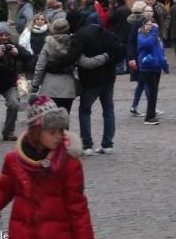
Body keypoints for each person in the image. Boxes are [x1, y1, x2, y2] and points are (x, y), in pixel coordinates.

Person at [0, 95, 95, 239]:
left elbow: (78, 210)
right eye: (52, 132)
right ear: (36, 132)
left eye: (61, 130)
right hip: (21, 238)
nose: (58, 136)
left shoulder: (69, 164)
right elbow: (3, 188)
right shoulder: (14, 160)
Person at [43, 16, 121, 156]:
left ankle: (87, 145)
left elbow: (71, 57)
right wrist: (109, 61)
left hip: (90, 80)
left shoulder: (81, 35)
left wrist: (52, 66)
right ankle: (107, 144)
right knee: (108, 109)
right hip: (108, 78)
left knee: (85, 110)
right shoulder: (108, 33)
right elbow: (121, 51)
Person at [32, 16, 94, 115]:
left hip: (49, 87)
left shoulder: (47, 45)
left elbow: (40, 66)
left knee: (49, 119)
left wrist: (35, 85)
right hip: (67, 87)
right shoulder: (74, 44)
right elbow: (85, 62)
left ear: (53, 29)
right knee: (64, 119)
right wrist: (105, 56)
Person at [0, 22, 32, 142]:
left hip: (8, 84)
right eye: (0, 35)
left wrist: (17, 53)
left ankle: (8, 132)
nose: (3, 37)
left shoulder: (13, 45)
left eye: (6, 35)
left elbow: (29, 57)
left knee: (14, 104)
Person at [133, 18, 169, 125]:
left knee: (154, 92)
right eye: (148, 25)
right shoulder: (141, 35)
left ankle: (151, 115)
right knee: (152, 92)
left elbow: (161, 52)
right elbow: (147, 44)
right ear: (143, 26)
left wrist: (165, 66)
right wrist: (154, 31)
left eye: (152, 25)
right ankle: (149, 117)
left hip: (156, 67)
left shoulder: (156, 38)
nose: (150, 27)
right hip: (147, 67)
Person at [125, 2, 148, 115]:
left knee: (142, 83)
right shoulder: (138, 23)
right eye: (146, 9)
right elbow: (132, 41)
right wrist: (132, 57)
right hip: (140, 56)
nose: (148, 11)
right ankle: (150, 107)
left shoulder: (137, 21)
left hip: (140, 56)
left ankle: (136, 106)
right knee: (145, 82)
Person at [107, 0, 131, 75]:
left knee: (119, 51)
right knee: (128, 51)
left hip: (119, 33)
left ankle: (119, 69)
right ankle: (129, 68)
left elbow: (110, 20)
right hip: (127, 32)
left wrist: (111, 10)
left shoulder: (117, 10)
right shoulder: (128, 9)